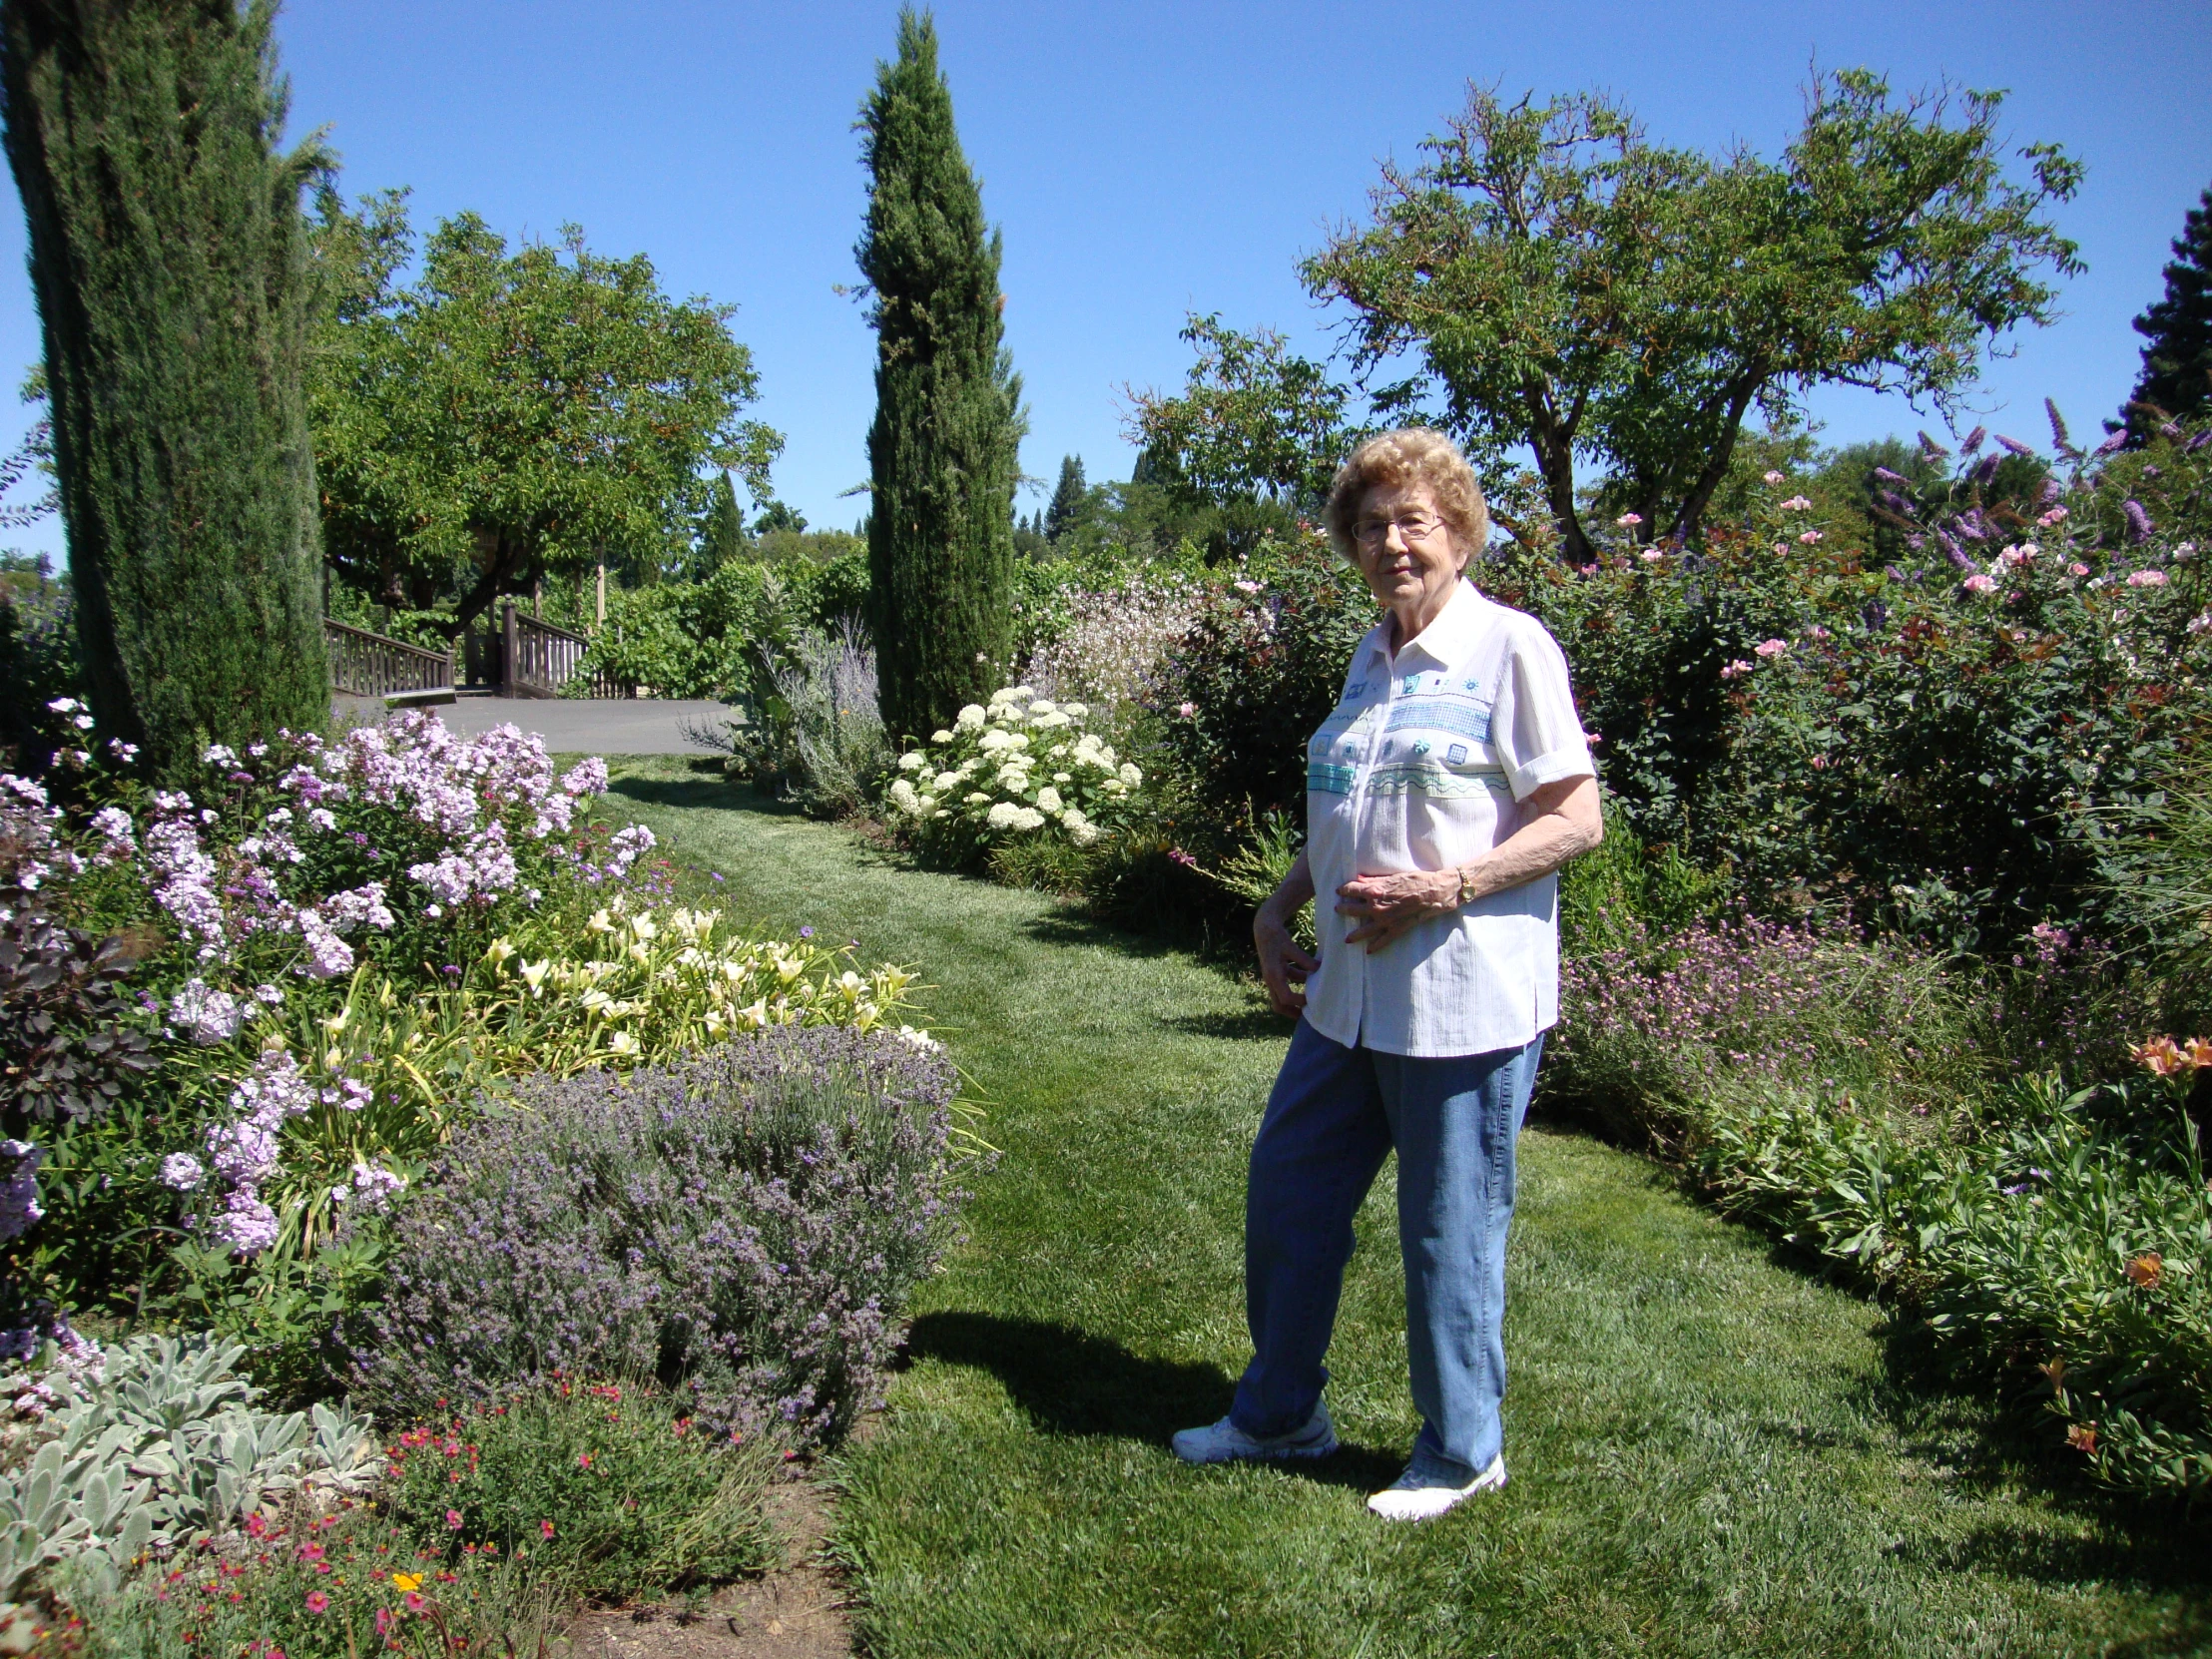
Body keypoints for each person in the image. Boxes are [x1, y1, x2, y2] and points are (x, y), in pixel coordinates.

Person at [1172, 427, 1602, 1522]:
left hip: (1463, 999)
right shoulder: (1371, 659)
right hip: (1346, 1002)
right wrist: (1278, 907)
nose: (1390, 542)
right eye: (1370, 525)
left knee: (1445, 1231)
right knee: (1289, 1197)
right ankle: (1279, 1417)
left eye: (1412, 520)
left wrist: (1446, 887)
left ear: (1458, 531)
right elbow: (1351, 820)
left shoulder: (1509, 649)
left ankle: (1462, 1453)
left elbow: (1574, 817)